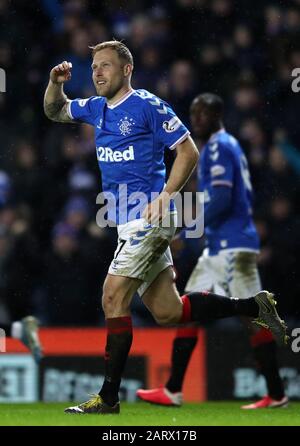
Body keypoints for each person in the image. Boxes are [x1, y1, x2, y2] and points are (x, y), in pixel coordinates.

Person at [44, 41, 288, 415]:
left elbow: (187, 149)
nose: (97, 72)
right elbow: (55, 110)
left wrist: (166, 195)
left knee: (112, 295)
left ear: (126, 70)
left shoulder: (146, 105)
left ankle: (108, 398)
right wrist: (55, 82)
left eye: (105, 66)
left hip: (152, 215)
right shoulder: (95, 109)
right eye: (94, 66)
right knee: (168, 312)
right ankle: (252, 304)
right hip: (125, 223)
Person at [137, 93, 288, 409]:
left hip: (230, 248)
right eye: (193, 115)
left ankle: (275, 392)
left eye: (201, 115)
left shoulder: (219, 147)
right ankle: (174, 389)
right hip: (223, 246)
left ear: (216, 116)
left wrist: (180, 225)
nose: (195, 121)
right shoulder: (224, 146)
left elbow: (220, 198)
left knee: (246, 315)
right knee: (188, 310)